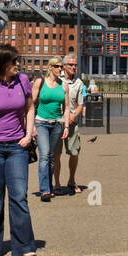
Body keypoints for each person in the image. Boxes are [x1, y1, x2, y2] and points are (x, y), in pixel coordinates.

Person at [0, 46, 38, 256]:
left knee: (19, 196)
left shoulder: (22, 81)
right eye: (14, 61)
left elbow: (30, 108)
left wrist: (29, 134)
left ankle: (23, 248)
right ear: (2, 63)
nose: (17, 65)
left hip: (17, 147)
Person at [32, 57, 68, 202]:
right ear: (50, 67)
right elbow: (31, 104)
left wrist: (66, 126)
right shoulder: (39, 83)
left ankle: (49, 186)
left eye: (61, 67)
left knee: (52, 157)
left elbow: (66, 108)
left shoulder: (64, 85)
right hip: (41, 123)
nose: (61, 69)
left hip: (57, 124)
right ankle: (45, 190)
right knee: (45, 154)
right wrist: (31, 126)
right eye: (58, 66)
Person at [58, 55, 87, 192]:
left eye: (75, 64)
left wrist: (74, 116)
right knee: (56, 154)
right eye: (70, 65)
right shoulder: (57, 81)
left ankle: (71, 179)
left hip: (72, 122)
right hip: (57, 121)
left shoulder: (79, 83)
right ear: (63, 66)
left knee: (74, 152)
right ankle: (56, 183)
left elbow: (81, 104)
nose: (73, 67)